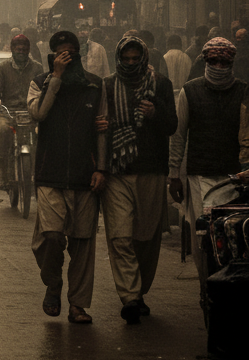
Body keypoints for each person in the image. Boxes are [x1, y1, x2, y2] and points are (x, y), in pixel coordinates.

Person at [27, 30, 107, 326]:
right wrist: (56, 78)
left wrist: (101, 168)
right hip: (49, 174)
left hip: (85, 176)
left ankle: (78, 305)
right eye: (60, 51)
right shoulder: (40, 82)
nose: (66, 55)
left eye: (71, 51)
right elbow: (38, 114)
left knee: (83, 245)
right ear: (51, 54)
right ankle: (53, 283)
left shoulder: (94, 86)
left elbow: (102, 129)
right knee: (50, 238)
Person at [101, 36, 177, 324]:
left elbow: (172, 125)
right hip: (117, 171)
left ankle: (140, 291)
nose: (131, 63)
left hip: (151, 170)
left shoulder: (161, 86)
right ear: (119, 59)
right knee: (120, 236)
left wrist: (155, 113)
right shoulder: (107, 86)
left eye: (136, 59)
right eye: (127, 59)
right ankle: (130, 296)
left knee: (146, 238)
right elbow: (99, 127)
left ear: (144, 59)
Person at [167, 36, 247, 293]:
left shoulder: (243, 91)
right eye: (214, 61)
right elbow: (179, 136)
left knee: (235, 237)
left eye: (224, 62)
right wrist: (174, 174)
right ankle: (206, 287)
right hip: (199, 175)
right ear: (205, 61)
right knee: (202, 237)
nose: (219, 67)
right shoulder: (190, 91)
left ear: (231, 63)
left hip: (235, 176)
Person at [0, 34, 42, 190]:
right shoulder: (2, 68)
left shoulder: (37, 68)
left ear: (28, 50)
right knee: (4, 130)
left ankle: (40, 173)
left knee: (42, 135)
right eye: (18, 49)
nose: (21, 52)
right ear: (12, 50)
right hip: (8, 111)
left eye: (24, 49)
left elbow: (43, 88)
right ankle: (2, 174)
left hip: (31, 112)